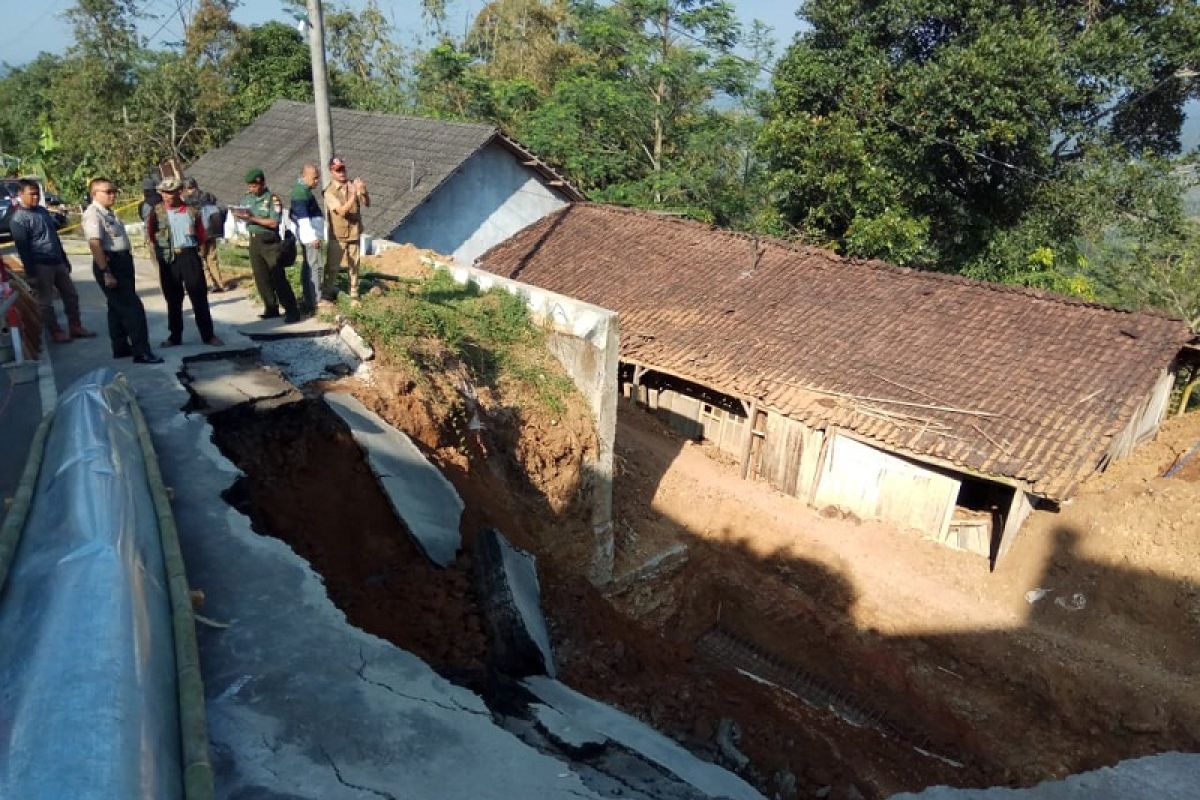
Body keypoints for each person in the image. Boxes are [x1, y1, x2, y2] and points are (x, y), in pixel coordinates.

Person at [81, 177, 162, 363]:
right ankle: (141, 351)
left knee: (116, 308)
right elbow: (95, 244)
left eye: (113, 191)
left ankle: (121, 348)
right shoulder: (93, 213)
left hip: (122, 261)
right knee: (133, 309)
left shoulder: (109, 213)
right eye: (107, 192)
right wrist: (106, 271)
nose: (112, 195)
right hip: (111, 264)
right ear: (95, 194)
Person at [9, 178, 94, 344]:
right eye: (31, 194)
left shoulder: (42, 211)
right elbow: (23, 249)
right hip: (40, 264)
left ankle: (75, 326)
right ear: (20, 195)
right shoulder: (18, 220)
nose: (35, 197)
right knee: (46, 302)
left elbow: (54, 237)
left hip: (57, 260)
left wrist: (64, 259)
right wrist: (31, 273)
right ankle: (55, 331)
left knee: (71, 295)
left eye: (37, 194)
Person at [146, 177, 223, 348]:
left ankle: (208, 335)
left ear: (179, 192)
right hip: (169, 259)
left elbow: (202, 235)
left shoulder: (192, 211)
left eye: (170, 192)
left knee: (199, 297)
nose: (167, 196)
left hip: (189, 256)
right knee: (173, 299)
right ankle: (174, 336)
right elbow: (151, 235)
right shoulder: (156, 212)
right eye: (164, 193)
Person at [236, 168, 300, 322]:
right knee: (261, 277)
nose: (250, 189)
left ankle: (292, 310)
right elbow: (244, 215)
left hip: (269, 242)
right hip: (254, 240)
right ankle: (271, 307)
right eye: (249, 186)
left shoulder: (272, 199)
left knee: (278, 276)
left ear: (262, 183)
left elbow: (274, 222)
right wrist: (239, 216)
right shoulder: (247, 199)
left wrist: (253, 218)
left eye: (253, 186)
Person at [322, 155, 369, 301]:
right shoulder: (329, 191)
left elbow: (367, 203)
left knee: (354, 265)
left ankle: (354, 292)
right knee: (332, 266)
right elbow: (341, 211)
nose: (341, 173)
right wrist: (354, 195)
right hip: (338, 235)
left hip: (354, 232)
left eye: (343, 169)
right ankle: (327, 293)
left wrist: (364, 191)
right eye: (338, 170)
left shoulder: (352, 186)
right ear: (332, 171)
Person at [290, 163, 326, 311]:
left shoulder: (303, 190)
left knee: (308, 266)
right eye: (314, 178)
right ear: (304, 176)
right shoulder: (300, 192)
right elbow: (303, 219)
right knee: (314, 266)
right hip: (310, 237)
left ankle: (309, 298)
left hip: (310, 235)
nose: (317, 181)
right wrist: (312, 237)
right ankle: (315, 300)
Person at [182, 176, 225, 292]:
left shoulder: (188, 201)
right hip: (212, 231)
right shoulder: (208, 195)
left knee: (201, 258)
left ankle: (210, 283)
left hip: (200, 233)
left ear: (186, 188)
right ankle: (220, 283)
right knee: (212, 257)